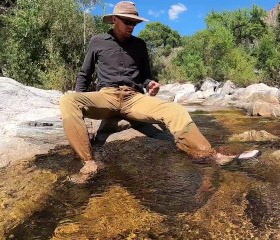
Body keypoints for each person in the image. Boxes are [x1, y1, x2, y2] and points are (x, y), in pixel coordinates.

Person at [59, 1, 235, 182]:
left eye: (134, 23)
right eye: (127, 22)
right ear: (114, 20)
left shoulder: (140, 45)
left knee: (175, 110)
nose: (131, 26)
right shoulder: (97, 42)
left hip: (134, 98)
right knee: (68, 100)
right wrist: (77, 106)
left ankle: (208, 154)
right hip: (106, 96)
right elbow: (84, 74)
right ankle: (89, 163)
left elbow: (145, 76)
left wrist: (151, 83)